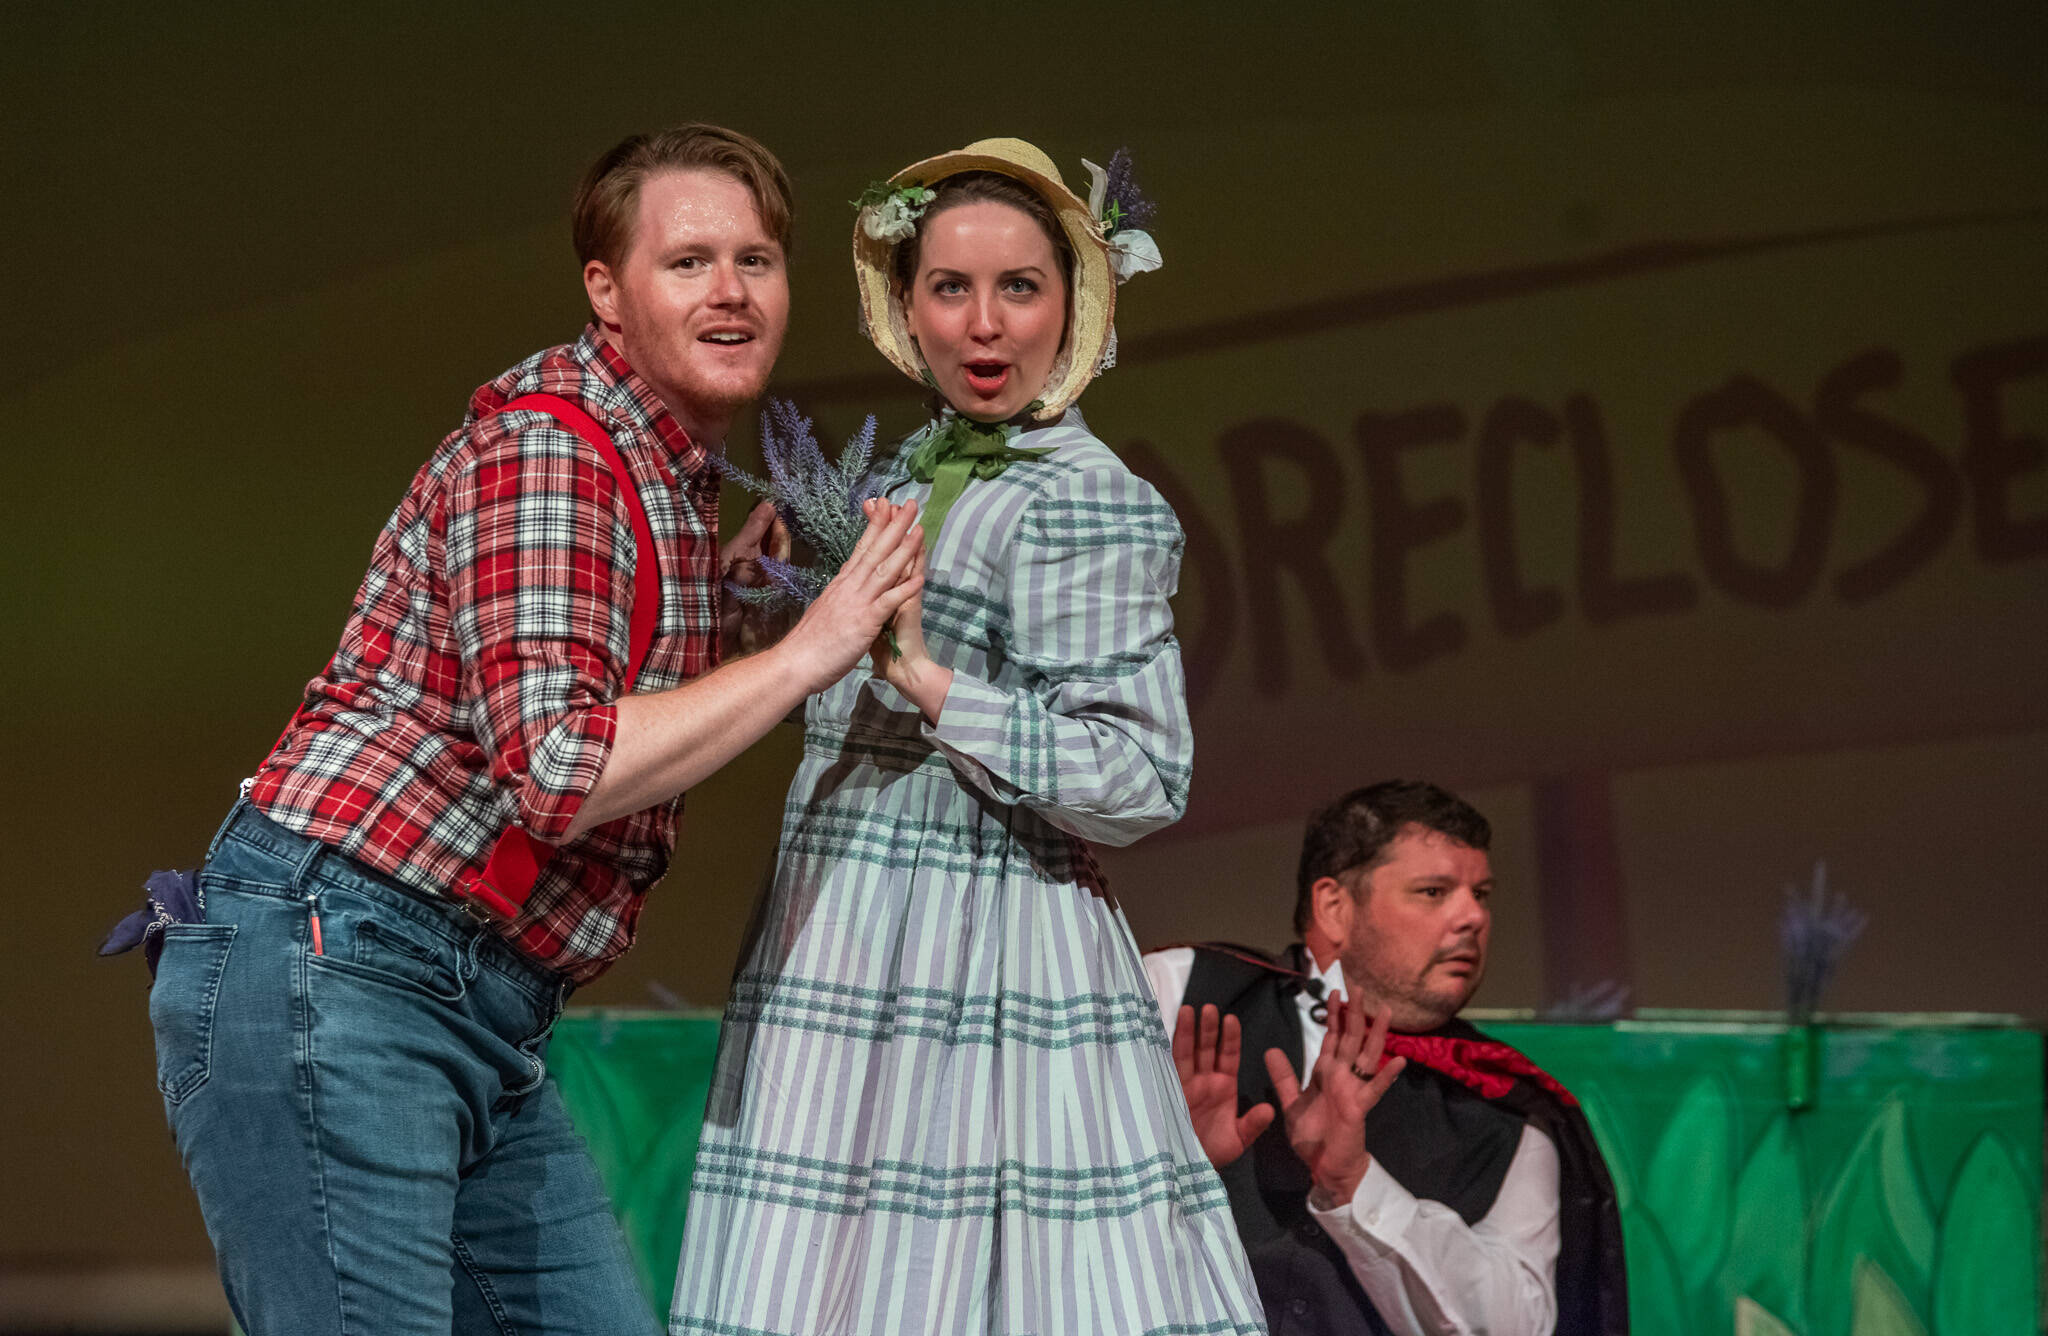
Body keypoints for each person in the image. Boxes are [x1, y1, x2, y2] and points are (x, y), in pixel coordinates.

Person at [134, 124, 926, 1336]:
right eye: (688, 261)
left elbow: (565, 670)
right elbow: (562, 770)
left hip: (468, 997)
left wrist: (714, 602)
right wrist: (807, 651)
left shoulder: (660, 479)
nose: (730, 291)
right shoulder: (556, 448)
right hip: (343, 966)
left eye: (756, 261)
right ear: (606, 293)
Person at [671, 139, 1264, 1336]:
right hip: (838, 939)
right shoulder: (909, 468)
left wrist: (930, 680)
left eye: (1020, 288)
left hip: (982, 954)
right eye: (950, 287)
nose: (983, 326)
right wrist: (766, 601)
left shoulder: (1086, 497)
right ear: (905, 304)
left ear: (1075, 303)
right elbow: (847, 690)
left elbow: (1140, 774)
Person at [1145, 781, 1628, 1336]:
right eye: (1433, 891)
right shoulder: (1177, 991)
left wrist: (1355, 1183)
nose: (1472, 916)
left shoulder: (1507, 1111)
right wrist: (1165, 1167)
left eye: (1483, 894)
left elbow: (1519, 1325)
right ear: (1334, 908)